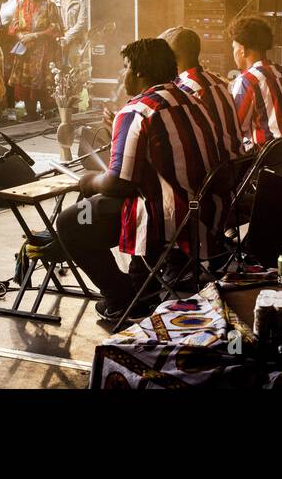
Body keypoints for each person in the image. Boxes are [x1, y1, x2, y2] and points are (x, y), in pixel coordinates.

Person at [57, 38, 232, 324]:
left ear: (140, 73)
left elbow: (119, 183)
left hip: (175, 220)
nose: (121, 74)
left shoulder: (137, 110)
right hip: (212, 211)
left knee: (70, 222)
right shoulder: (193, 100)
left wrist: (89, 181)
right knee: (116, 205)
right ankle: (142, 281)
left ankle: (122, 297)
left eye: (125, 67)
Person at [162, 26, 245, 157]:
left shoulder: (184, 90)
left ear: (171, 56)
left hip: (214, 170)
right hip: (236, 165)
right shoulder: (220, 82)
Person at [227, 14, 282, 147]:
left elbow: (235, 128)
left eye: (234, 48)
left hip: (268, 158)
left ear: (242, 50)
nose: (234, 53)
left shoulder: (247, 81)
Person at [8, 0, 63, 119]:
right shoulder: (22, 1)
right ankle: (30, 113)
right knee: (25, 82)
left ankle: (47, 112)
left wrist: (34, 35)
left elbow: (56, 27)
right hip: (25, 49)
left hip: (43, 50)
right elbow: (15, 23)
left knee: (43, 83)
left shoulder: (49, 3)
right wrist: (20, 35)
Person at [57, 0, 89, 71]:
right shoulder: (56, 2)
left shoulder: (82, 0)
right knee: (61, 77)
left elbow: (82, 23)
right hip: (60, 45)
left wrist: (67, 37)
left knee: (77, 75)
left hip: (77, 44)